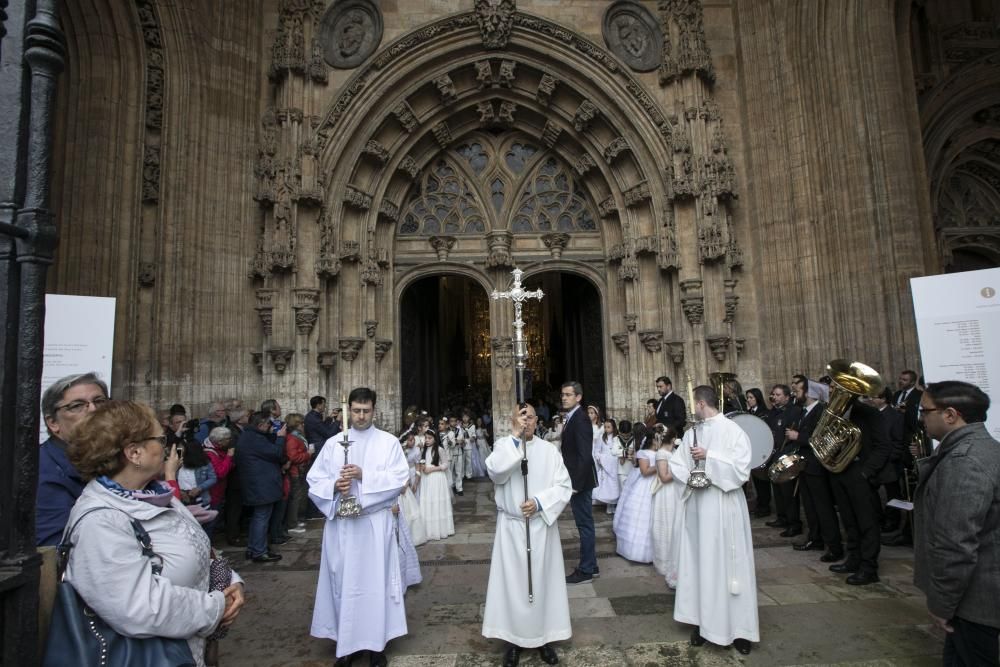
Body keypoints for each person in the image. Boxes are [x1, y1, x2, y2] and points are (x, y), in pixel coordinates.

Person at [62, 401, 245, 666]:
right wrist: (216, 606)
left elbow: (200, 548)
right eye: (160, 438)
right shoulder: (101, 521)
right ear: (134, 453)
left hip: (187, 651)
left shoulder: (157, 495)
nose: (169, 446)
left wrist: (231, 582)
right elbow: (139, 606)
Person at [307, 387, 410, 667]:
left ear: (374, 410)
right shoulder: (334, 444)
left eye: (366, 411)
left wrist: (365, 476)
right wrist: (334, 486)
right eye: (356, 411)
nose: (361, 416)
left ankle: (377, 645)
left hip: (374, 524)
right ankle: (346, 645)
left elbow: (400, 479)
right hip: (343, 526)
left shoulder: (388, 443)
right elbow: (314, 481)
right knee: (342, 582)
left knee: (375, 583)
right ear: (348, 411)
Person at [914, 381, 1000, 667]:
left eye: (925, 411)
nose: (921, 417)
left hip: (976, 602)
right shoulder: (986, 448)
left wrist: (942, 605)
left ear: (950, 415)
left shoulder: (965, 462)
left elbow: (956, 543)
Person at [669, 385, 759, 655]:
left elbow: (742, 469)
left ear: (700, 403)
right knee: (701, 564)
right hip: (698, 507)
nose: (691, 409)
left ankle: (740, 630)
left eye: (692, 404)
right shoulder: (691, 433)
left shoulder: (733, 431)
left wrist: (710, 457)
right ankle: (702, 623)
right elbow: (677, 463)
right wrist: (690, 478)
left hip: (724, 506)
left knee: (730, 566)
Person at [482, 403, 572, 667]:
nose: (526, 422)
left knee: (542, 582)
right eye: (521, 417)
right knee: (513, 585)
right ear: (512, 420)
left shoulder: (549, 450)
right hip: (511, 528)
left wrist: (541, 502)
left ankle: (544, 639)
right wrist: (514, 441)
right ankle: (512, 641)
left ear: (537, 421)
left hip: (541, 526)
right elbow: (497, 473)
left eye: (530, 417)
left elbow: (564, 485)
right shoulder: (502, 446)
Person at [37, 372, 109, 546]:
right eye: (77, 405)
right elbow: (54, 551)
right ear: (53, 423)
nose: (93, 409)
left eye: (99, 401)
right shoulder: (44, 472)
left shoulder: (105, 458)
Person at [560, 381, 599, 584]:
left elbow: (585, 455)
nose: (564, 397)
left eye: (568, 394)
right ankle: (591, 565)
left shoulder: (581, 419)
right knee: (586, 524)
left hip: (581, 481)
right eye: (563, 394)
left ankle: (585, 570)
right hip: (579, 478)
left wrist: (575, 483)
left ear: (578, 397)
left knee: (584, 525)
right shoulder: (573, 417)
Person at [236, 411, 287, 562]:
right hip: (261, 485)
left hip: (257, 484)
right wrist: (280, 438)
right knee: (261, 518)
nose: (270, 426)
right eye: (268, 424)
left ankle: (253, 548)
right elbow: (276, 453)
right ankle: (259, 551)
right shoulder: (254, 439)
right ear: (260, 425)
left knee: (258, 517)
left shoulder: (250, 436)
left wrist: (272, 435)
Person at [612, 422, 658, 563]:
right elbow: (644, 470)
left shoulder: (656, 452)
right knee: (641, 513)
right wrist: (661, 465)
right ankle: (636, 549)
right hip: (646, 484)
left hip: (655, 482)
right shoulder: (644, 453)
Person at [650, 425, 680, 585]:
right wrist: (681, 471)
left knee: (675, 523)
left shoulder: (672, 452)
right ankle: (665, 561)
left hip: (675, 492)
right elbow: (664, 477)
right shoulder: (662, 454)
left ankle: (675, 558)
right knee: (667, 523)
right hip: (666, 493)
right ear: (673, 439)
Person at [419, 431, 455, 540]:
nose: (427, 440)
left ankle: (441, 529)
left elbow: (445, 465)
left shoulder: (439, 449)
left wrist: (433, 469)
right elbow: (422, 462)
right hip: (426, 479)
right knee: (428, 502)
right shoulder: (423, 450)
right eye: (426, 438)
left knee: (437, 502)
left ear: (434, 438)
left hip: (437, 478)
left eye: (429, 438)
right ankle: (429, 530)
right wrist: (423, 468)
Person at [283, 413, 312, 534]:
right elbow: (293, 457)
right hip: (295, 471)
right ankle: (292, 523)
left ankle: (294, 519)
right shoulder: (292, 438)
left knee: (298, 496)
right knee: (295, 497)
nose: (303, 425)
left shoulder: (298, 436)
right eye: (301, 423)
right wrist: (308, 454)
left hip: (300, 470)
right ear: (296, 425)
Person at [592, 420, 621, 513]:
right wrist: (599, 458)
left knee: (615, 485)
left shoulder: (617, 438)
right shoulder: (601, 437)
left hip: (615, 463)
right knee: (607, 485)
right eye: (605, 427)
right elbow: (597, 450)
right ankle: (608, 504)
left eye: (609, 427)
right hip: (604, 463)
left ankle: (614, 503)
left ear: (613, 427)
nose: (606, 429)